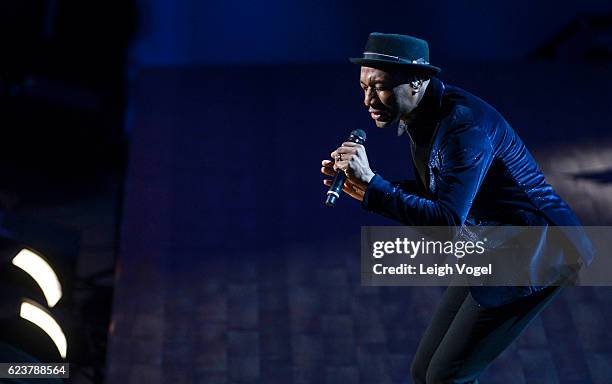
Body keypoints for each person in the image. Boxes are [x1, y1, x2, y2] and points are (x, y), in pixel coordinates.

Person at [320, 32, 593, 383]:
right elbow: (437, 196)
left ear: (417, 81)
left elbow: (446, 222)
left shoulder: (464, 129)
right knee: (425, 372)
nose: (368, 99)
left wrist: (374, 185)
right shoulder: (423, 116)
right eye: (364, 87)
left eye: (380, 87)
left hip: (538, 252)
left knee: (446, 377)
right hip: (493, 244)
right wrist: (365, 188)